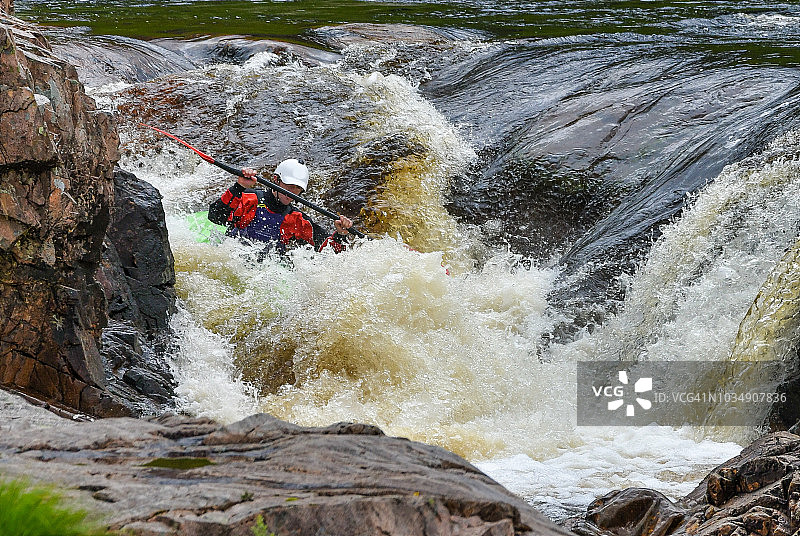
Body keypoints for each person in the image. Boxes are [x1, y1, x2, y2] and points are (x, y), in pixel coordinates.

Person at [208, 158, 353, 254]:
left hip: (267, 270)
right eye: (289, 185)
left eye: (297, 188)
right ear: (276, 180)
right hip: (231, 255)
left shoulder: (297, 220)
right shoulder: (249, 199)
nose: (292, 192)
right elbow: (215, 217)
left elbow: (327, 251)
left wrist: (340, 234)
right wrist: (239, 187)